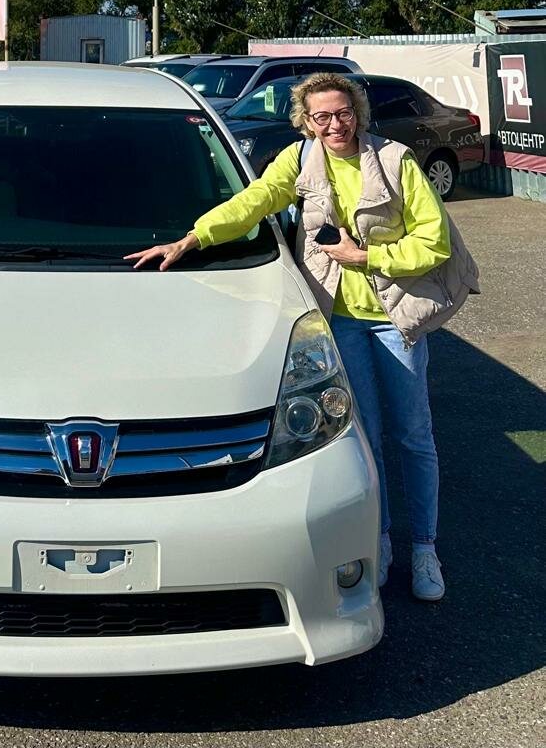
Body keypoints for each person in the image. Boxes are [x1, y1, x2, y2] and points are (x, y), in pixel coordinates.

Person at [125, 71, 478, 602]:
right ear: (306, 121)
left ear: (358, 112)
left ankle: (425, 548)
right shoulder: (299, 160)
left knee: (413, 433)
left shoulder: (395, 160)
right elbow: (253, 202)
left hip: (395, 316)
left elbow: (434, 242)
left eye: (344, 112)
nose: (335, 125)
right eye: (322, 116)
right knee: (366, 437)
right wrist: (191, 239)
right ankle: (380, 538)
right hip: (339, 320)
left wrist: (366, 256)